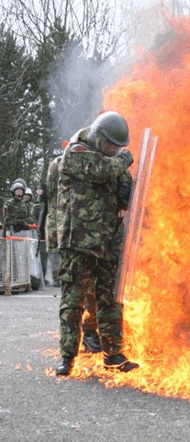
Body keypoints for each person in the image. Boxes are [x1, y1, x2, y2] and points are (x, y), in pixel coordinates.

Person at [55, 111, 139, 375]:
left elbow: (124, 191)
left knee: (110, 300)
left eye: (118, 148)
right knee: (73, 301)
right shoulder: (77, 152)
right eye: (110, 146)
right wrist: (124, 160)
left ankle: (113, 354)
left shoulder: (113, 162)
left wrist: (130, 188)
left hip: (106, 243)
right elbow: (102, 170)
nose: (114, 151)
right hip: (78, 242)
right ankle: (68, 357)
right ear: (97, 137)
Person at [47, 155, 102, 352]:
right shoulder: (62, 165)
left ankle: (84, 333)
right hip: (72, 235)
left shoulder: (61, 164)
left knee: (83, 289)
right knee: (79, 290)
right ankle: (84, 334)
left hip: (73, 233)